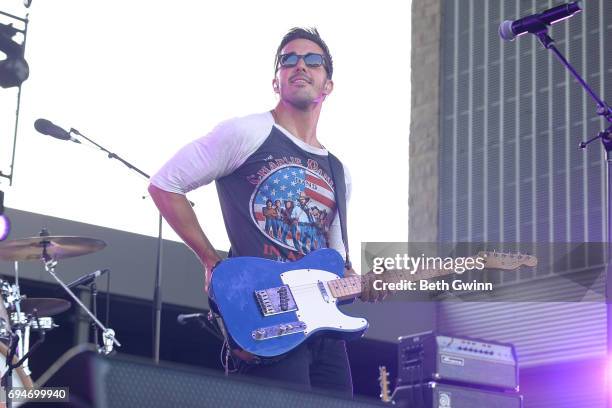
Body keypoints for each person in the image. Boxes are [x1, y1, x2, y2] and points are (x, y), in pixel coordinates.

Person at [148, 27, 384, 398]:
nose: (299, 66)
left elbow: (336, 259)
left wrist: (363, 284)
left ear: (328, 85)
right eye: (288, 60)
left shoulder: (339, 172)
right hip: (266, 318)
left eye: (313, 61)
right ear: (276, 81)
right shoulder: (247, 132)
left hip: (322, 330)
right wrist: (210, 261)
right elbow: (164, 185)